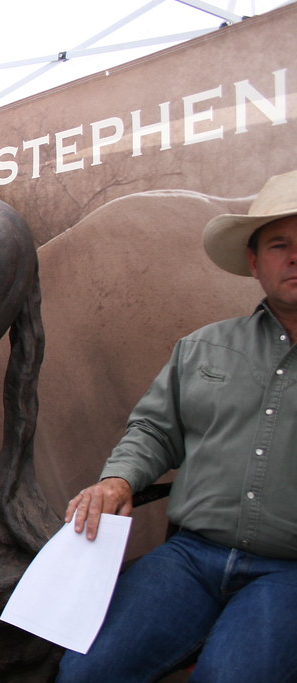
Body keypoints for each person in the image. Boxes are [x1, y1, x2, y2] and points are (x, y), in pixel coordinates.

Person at [57, 169, 297, 682]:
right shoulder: (204, 347)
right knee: (83, 673)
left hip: (289, 571)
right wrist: (117, 479)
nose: (294, 256)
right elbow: (154, 430)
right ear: (254, 262)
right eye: (279, 245)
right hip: (191, 557)